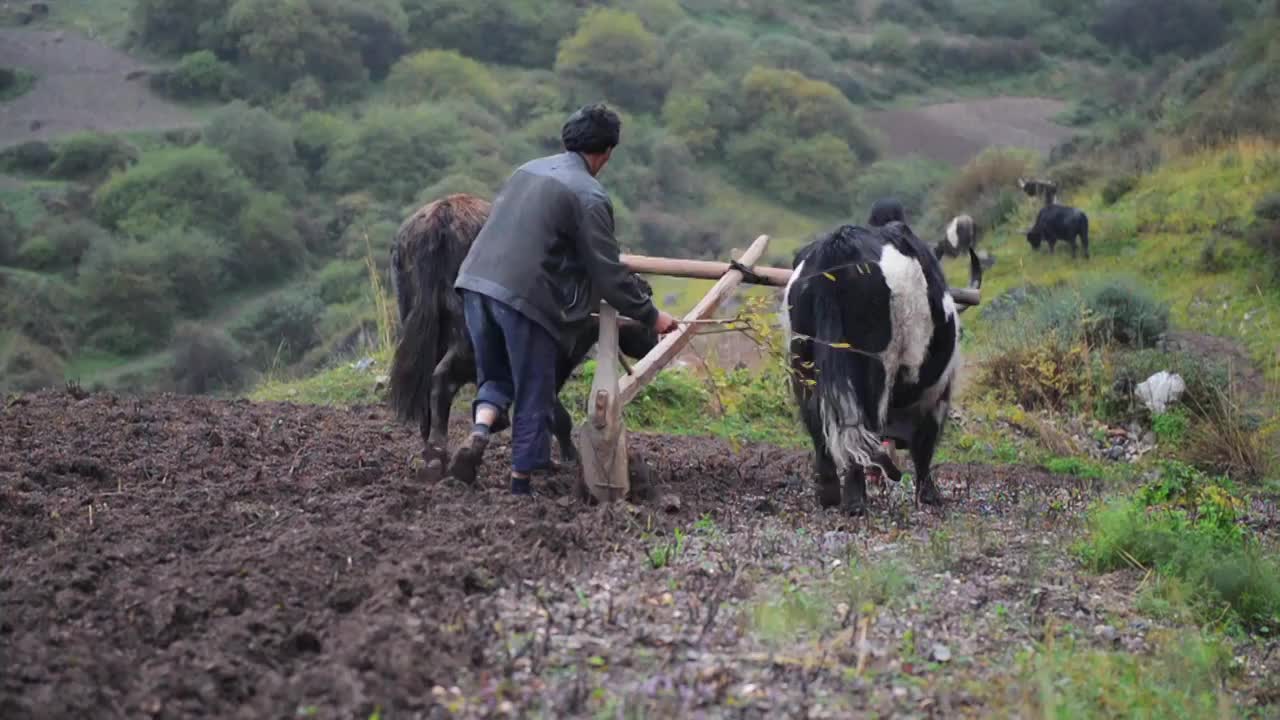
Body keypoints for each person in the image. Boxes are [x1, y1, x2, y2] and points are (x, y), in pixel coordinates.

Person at [449, 103, 678, 496]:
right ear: (606, 152)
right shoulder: (589, 195)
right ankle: (520, 482)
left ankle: (480, 432)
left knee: (496, 376)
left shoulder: (528, 170)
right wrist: (652, 315)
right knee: (535, 388)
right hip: (523, 296)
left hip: (474, 283)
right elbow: (608, 274)